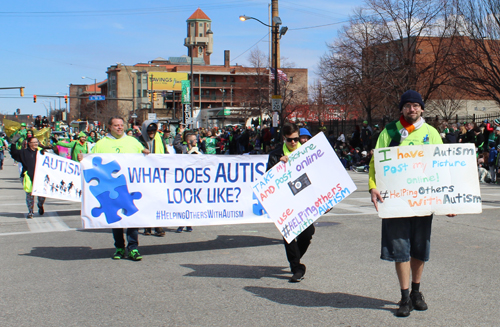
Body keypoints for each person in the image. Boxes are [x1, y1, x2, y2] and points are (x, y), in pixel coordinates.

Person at [368, 90, 456, 317]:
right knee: (401, 249)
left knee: (419, 247)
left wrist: (448, 201)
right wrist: (372, 186)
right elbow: (375, 162)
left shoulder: (431, 132)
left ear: (422, 109)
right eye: (407, 105)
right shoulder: (389, 132)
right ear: (402, 109)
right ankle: (404, 296)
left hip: (422, 200)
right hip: (396, 201)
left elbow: (442, 166)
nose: (412, 109)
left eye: (416, 105)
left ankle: (417, 292)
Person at [81, 117, 149, 261]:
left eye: (121, 125)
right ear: (110, 127)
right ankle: (119, 248)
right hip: (109, 188)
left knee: (132, 218)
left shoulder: (133, 142)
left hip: (129, 187)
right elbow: (91, 161)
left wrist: (147, 154)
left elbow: (144, 156)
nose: (119, 127)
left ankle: (133, 248)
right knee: (115, 219)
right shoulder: (101, 144)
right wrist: (82, 158)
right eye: (116, 125)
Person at [267, 122, 315, 283]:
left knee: (307, 233)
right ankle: (297, 267)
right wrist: (279, 166)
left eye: (296, 139)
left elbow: (318, 174)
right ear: (284, 139)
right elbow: (269, 180)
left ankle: (295, 258)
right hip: (285, 202)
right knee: (289, 235)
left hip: (304, 200)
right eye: (289, 140)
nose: (293, 142)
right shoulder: (275, 155)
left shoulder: (307, 152)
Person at [137, 120, 168, 237]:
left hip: (157, 174)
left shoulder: (160, 139)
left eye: (153, 130)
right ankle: (147, 225)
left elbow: (165, 152)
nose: (151, 132)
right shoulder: (138, 141)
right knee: (145, 200)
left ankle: (157, 225)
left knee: (157, 200)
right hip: (143, 175)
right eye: (149, 130)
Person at [11, 136, 46, 219]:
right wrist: (13, 143)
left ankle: (40, 205)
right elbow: (14, 154)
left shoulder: (41, 152)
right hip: (27, 176)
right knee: (29, 195)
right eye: (33, 142)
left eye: (36, 142)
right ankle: (30, 212)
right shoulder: (23, 152)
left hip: (39, 177)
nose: (35, 144)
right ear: (29, 143)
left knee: (42, 197)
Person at [174, 132, 202, 233]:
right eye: (194, 139)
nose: (196, 141)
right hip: (183, 180)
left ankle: (189, 224)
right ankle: (181, 224)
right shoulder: (183, 149)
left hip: (193, 180)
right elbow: (176, 144)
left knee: (191, 203)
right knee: (183, 203)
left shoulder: (198, 150)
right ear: (189, 141)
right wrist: (180, 133)